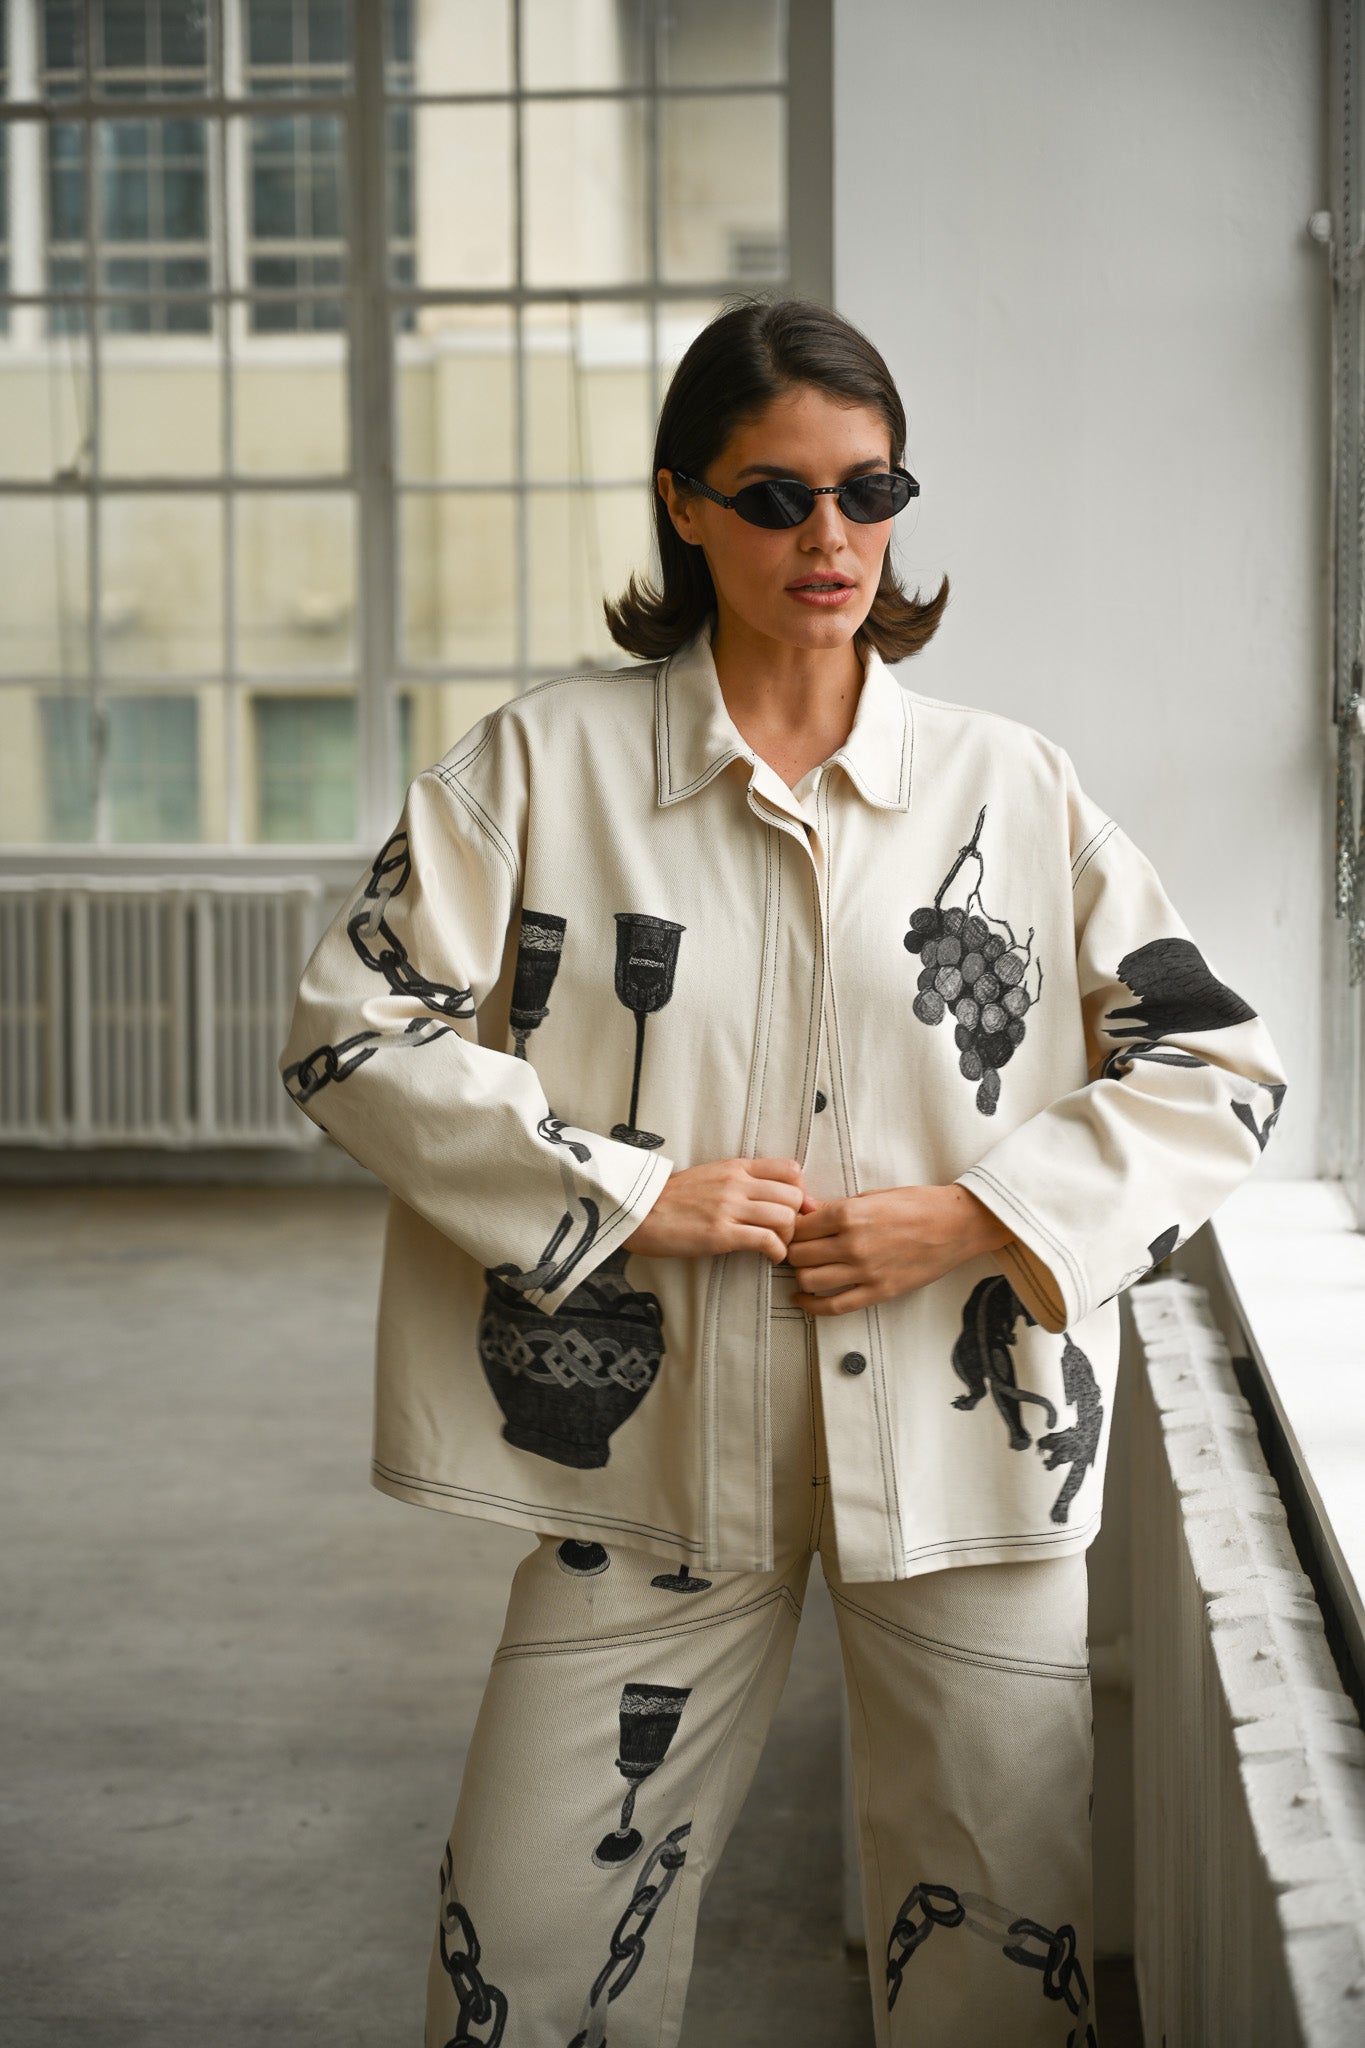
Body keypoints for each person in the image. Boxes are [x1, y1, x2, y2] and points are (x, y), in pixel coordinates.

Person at [279, 296, 1287, 2047]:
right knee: (525, 1942)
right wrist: (623, 1193)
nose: (830, 537)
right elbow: (349, 1030)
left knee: (999, 1963)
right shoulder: (546, 764)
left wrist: (973, 1217)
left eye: (867, 490)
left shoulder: (1008, 787)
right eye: (774, 496)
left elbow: (1218, 1068)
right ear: (682, 504)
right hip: (653, 1456)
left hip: (966, 1460)